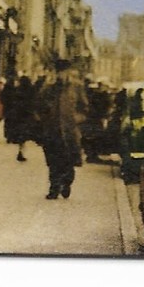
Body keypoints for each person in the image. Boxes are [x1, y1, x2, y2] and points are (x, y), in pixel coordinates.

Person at [35, 60, 88, 199]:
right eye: (58, 72)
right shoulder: (48, 87)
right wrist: (44, 119)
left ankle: (67, 182)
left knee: (69, 160)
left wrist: (77, 119)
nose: (61, 75)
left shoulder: (76, 87)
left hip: (70, 131)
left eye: (63, 72)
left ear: (68, 72)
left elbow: (84, 107)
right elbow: (39, 105)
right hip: (52, 130)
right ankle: (54, 187)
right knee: (53, 160)